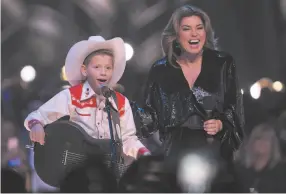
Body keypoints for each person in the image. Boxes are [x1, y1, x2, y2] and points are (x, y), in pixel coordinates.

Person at [132, 4, 244, 188]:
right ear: (176, 36)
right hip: (172, 154)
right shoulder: (161, 70)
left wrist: (221, 123)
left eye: (199, 28)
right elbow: (149, 116)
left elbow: (235, 109)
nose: (194, 34)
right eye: (187, 29)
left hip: (214, 153)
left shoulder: (223, 64)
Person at [24, 36, 150, 176]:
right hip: (77, 173)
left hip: (108, 173)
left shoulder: (121, 102)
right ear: (84, 70)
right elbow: (37, 115)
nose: (103, 72)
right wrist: (36, 125)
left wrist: (144, 154)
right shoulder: (72, 96)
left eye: (108, 68)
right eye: (97, 67)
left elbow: (128, 139)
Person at [234, 122, 286, 193]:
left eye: (267, 139)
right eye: (259, 138)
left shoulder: (281, 172)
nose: (263, 142)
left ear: (273, 145)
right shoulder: (240, 171)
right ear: (252, 143)